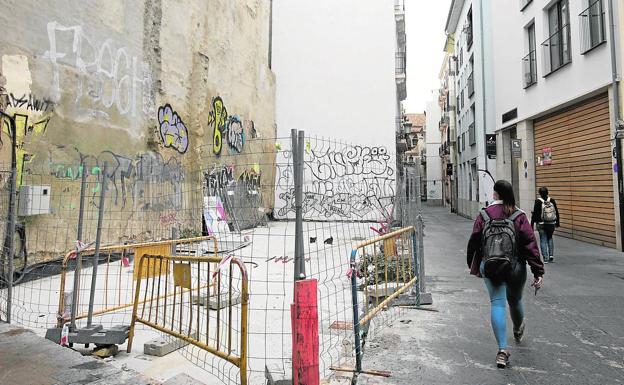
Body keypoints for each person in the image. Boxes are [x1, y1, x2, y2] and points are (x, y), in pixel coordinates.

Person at [467, 180, 544, 368]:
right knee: (515, 300)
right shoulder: (519, 215)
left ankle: (502, 350)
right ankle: (518, 329)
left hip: (490, 266)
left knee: (497, 303)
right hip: (515, 267)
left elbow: (474, 242)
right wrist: (537, 271)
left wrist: (476, 265)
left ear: (495, 194)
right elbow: (530, 245)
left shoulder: (484, 215)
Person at [531, 187, 560, 263]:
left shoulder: (538, 201)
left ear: (540, 193)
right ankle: (551, 256)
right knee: (550, 238)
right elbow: (556, 211)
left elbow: (535, 214)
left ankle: (545, 258)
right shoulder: (552, 200)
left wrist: (531, 224)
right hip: (551, 223)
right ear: (547, 192)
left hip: (541, 224)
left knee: (543, 240)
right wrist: (557, 222)